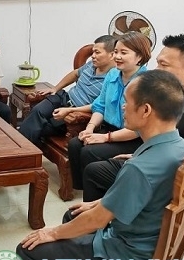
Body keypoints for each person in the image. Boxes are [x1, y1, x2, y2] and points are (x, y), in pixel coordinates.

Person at [16, 70, 184, 260]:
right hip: (157, 250)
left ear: (146, 110)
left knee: (28, 251)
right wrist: (101, 203)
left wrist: (52, 233)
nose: (122, 107)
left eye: (127, 102)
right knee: (74, 214)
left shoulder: (140, 168)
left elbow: (97, 220)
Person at [82, 33, 184, 201]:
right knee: (95, 169)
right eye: (158, 63)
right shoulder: (178, 96)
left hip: (169, 182)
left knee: (95, 172)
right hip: (158, 161)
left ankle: (105, 214)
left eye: (164, 65)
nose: (157, 70)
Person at [56, 31, 151, 191]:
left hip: (131, 138)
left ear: (139, 57)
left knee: (89, 151)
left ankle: (99, 193)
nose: (117, 57)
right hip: (108, 129)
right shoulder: (112, 74)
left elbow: (137, 130)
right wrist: (89, 128)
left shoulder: (146, 83)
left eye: (123, 53)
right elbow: (100, 106)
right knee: (75, 144)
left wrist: (105, 138)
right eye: (116, 52)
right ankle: (84, 189)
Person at [19, 35, 115, 145]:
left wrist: (70, 110)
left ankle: (21, 149)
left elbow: (99, 105)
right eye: (93, 52)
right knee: (37, 111)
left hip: (76, 112)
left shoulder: (113, 78)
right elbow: (75, 74)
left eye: (97, 52)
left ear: (112, 55)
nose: (93, 56)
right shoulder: (91, 65)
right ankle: (22, 148)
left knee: (41, 126)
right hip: (64, 97)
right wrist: (55, 88)